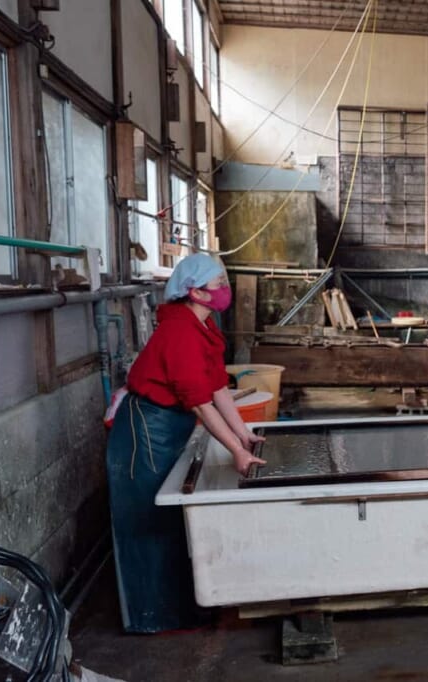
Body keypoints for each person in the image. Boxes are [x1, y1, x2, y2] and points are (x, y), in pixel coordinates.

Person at [106, 254, 265, 633]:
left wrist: (243, 433)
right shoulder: (178, 332)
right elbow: (199, 402)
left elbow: (216, 387)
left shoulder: (205, 327)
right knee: (146, 520)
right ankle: (151, 618)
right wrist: (236, 451)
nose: (226, 291)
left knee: (169, 520)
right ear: (195, 292)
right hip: (146, 427)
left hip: (168, 425)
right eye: (219, 285)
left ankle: (178, 608)